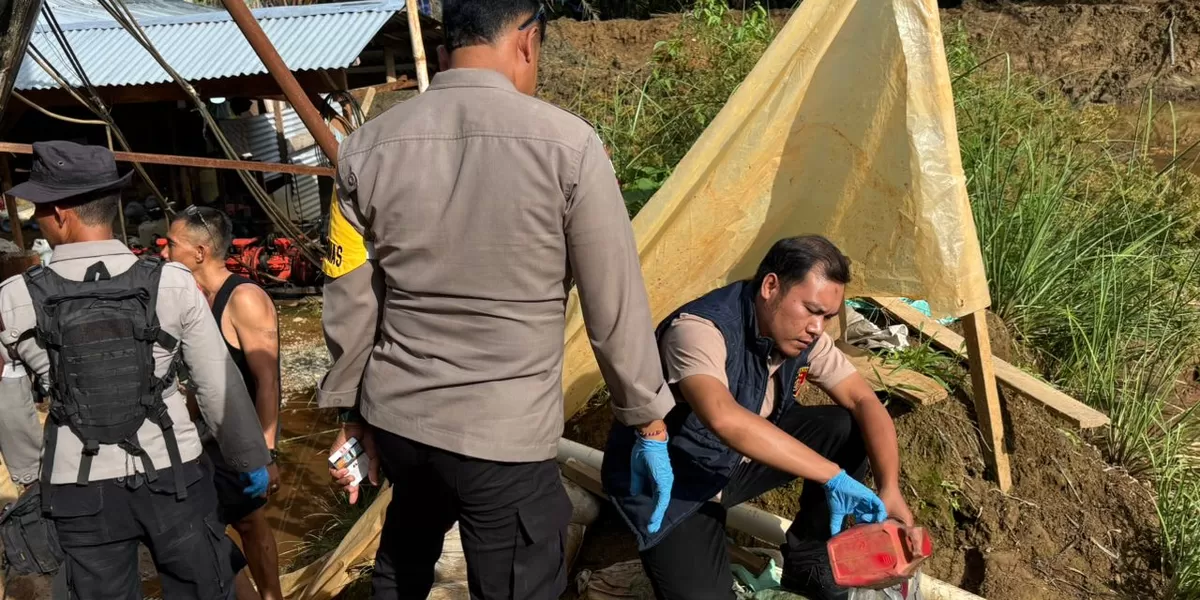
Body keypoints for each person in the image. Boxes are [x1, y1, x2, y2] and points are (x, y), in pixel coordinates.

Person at [317, 1, 677, 598]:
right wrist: (646, 417)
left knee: (402, 564)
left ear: (441, 54)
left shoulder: (364, 149)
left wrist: (352, 415)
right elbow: (613, 307)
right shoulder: (570, 147)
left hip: (401, 425)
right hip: (501, 439)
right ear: (528, 42)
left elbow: (351, 296)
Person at [0, 140, 272, 600]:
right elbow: (217, 383)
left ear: (60, 214)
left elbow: (9, 398)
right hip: (174, 473)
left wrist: (29, 474)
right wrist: (250, 461)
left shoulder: (12, 297)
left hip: (76, 484)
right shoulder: (172, 283)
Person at [602, 236, 916, 600]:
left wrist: (889, 485)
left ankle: (810, 564)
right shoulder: (700, 331)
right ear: (770, 286)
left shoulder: (803, 335)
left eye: (828, 316)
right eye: (812, 310)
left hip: (738, 462)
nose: (818, 328)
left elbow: (863, 400)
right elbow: (723, 417)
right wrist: (832, 476)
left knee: (846, 428)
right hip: (677, 482)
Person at [164, 205, 283, 600]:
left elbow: (268, 380)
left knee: (246, 523)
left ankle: (269, 597)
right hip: (206, 439)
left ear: (199, 252)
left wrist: (266, 451)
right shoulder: (195, 298)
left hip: (241, 440)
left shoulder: (244, 298)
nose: (165, 252)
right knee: (212, 526)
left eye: (172, 244)